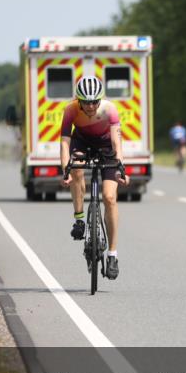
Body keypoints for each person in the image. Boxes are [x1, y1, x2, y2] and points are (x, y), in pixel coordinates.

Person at [59, 76, 129, 280]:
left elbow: (117, 142)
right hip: (81, 143)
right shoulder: (70, 110)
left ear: (100, 100)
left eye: (94, 101)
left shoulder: (110, 109)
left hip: (106, 145)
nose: (90, 106)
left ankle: (113, 255)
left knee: (109, 198)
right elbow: (65, 143)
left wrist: (120, 167)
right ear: (78, 100)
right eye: (86, 102)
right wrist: (65, 169)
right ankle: (79, 219)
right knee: (77, 169)